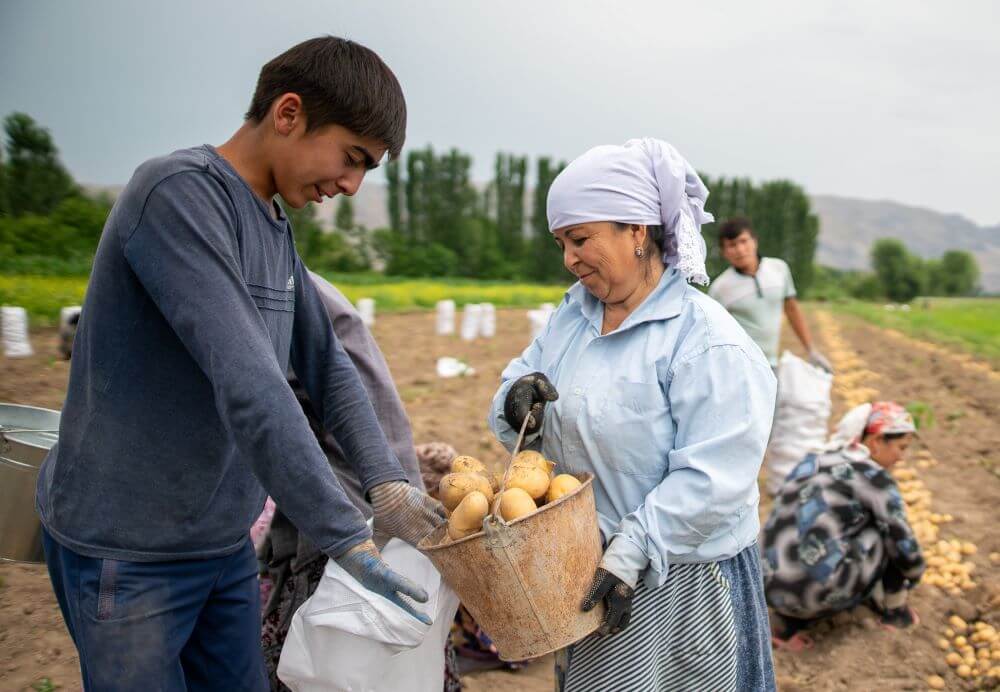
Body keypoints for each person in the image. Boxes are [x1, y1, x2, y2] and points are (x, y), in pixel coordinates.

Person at [35, 37, 444, 691]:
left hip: (220, 544)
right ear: (288, 114)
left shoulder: (274, 226)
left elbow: (328, 365)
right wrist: (345, 534)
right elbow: (253, 382)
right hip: (129, 549)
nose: (350, 184)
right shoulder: (176, 195)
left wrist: (386, 484)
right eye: (352, 157)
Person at [489, 138, 778, 691]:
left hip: (684, 586)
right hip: (589, 569)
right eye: (561, 243)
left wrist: (633, 549)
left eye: (580, 239)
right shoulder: (572, 319)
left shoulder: (706, 342)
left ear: (637, 231)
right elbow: (519, 389)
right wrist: (513, 399)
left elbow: (715, 478)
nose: (569, 258)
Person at [257, 271, 457, 691]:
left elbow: (284, 429)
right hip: (374, 502)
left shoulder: (279, 292)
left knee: (347, 643)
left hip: (357, 510)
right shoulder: (296, 288)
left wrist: (343, 535)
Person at [762, 402, 925, 651]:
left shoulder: (812, 459)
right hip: (814, 596)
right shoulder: (873, 477)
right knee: (885, 532)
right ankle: (895, 612)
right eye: (901, 447)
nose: (902, 457)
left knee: (811, 530)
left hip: (766, 586)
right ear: (876, 441)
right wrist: (912, 576)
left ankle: (785, 625)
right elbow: (905, 546)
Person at [708, 217, 832, 373]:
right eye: (732, 245)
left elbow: (792, 309)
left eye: (743, 241)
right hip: (740, 368)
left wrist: (811, 350)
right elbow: (713, 334)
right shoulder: (720, 288)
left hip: (772, 363)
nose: (740, 249)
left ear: (755, 241)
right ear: (724, 252)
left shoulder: (779, 269)